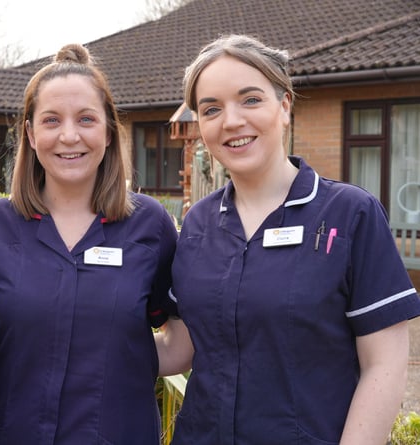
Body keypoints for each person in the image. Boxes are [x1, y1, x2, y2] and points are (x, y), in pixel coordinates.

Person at [155, 34, 420, 445]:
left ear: (284, 106)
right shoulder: (198, 223)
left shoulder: (350, 214)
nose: (232, 121)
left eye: (251, 100)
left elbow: (384, 364)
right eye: (211, 109)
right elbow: (180, 348)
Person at [0, 43, 178, 444]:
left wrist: (118, 360)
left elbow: (180, 333)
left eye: (86, 119)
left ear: (109, 130)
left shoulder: (149, 226)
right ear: (30, 134)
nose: (69, 136)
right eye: (51, 121)